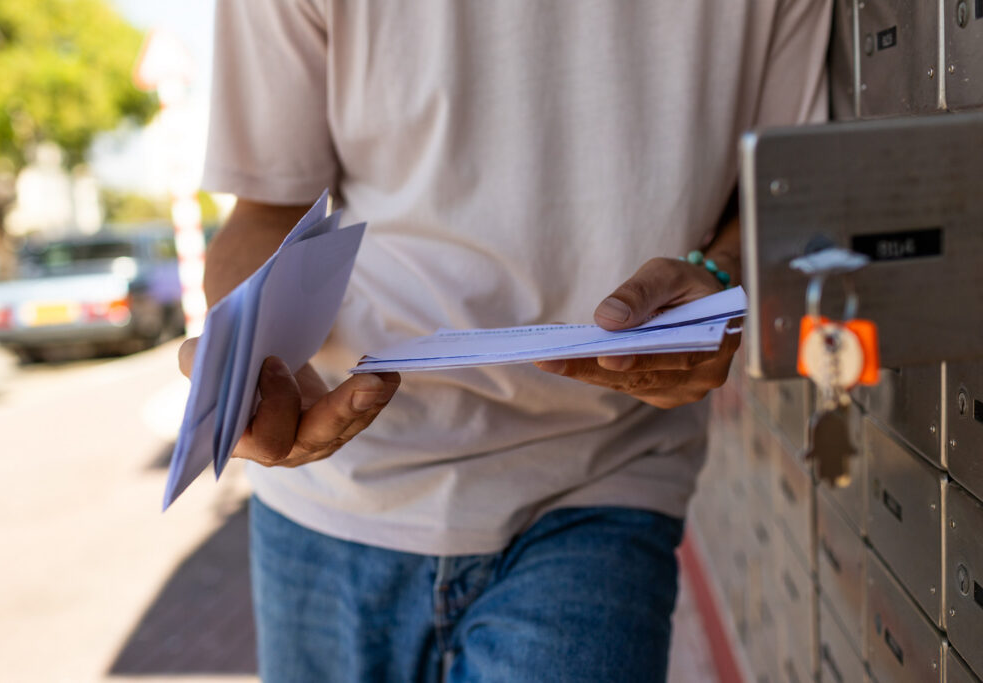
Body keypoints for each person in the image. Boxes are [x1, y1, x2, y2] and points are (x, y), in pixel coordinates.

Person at [185, 1, 831, 680]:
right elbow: (267, 209)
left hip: (601, 477)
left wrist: (718, 276)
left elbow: (784, 192)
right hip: (335, 493)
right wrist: (248, 360)